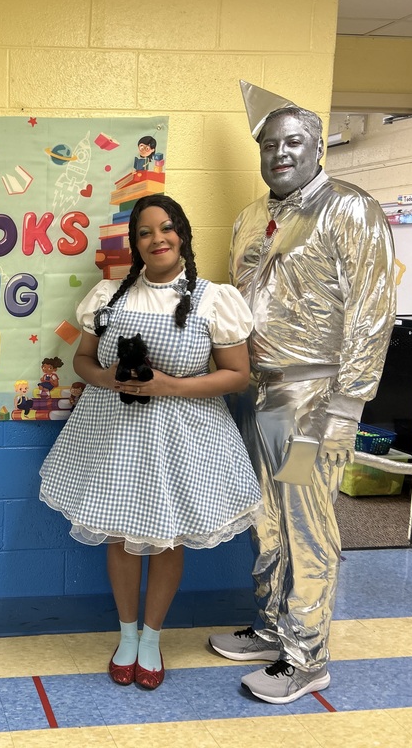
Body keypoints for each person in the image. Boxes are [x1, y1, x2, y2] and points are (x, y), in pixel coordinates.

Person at [209, 82, 396, 704]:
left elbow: (373, 312)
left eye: (294, 142)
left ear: (320, 147)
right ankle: (272, 628)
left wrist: (346, 409)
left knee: (308, 526)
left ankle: (308, 655)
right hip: (262, 395)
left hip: (316, 400)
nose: (280, 153)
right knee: (267, 519)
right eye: (270, 144)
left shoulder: (351, 209)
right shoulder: (251, 219)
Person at [40, 194, 262, 690]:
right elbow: (82, 361)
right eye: (144, 232)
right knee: (121, 536)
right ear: (135, 242)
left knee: (167, 539)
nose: (156, 239)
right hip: (114, 432)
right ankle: (125, 634)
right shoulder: (109, 296)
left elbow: (237, 375)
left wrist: (171, 386)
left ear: (181, 233)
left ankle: (151, 638)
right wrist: (107, 378)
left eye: (165, 229)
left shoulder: (214, 298)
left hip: (185, 435)